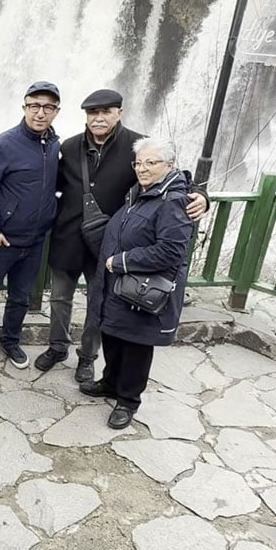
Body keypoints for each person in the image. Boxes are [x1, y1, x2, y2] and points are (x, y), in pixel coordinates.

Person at [35, 89, 207, 384]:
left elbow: (171, 176)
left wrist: (202, 195)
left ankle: (87, 357)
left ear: (119, 113)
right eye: (92, 113)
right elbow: (50, 181)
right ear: (86, 116)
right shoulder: (71, 145)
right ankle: (57, 346)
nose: (98, 118)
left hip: (109, 245)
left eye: (106, 112)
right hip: (67, 238)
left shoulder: (136, 147)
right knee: (60, 298)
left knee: (97, 302)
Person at [83, 137, 194, 429]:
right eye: (139, 163)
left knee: (136, 345)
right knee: (114, 335)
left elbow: (171, 251)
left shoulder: (173, 201)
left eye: (151, 163)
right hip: (120, 287)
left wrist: (120, 261)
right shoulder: (140, 192)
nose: (142, 169)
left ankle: (128, 400)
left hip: (139, 288)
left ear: (169, 166)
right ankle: (110, 382)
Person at [0, 81, 62, 371]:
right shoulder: (3, 145)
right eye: (34, 106)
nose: (40, 113)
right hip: (2, 240)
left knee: (20, 298)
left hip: (36, 240)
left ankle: (11, 341)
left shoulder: (53, 145)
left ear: (56, 111)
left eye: (48, 107)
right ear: (25, 108)